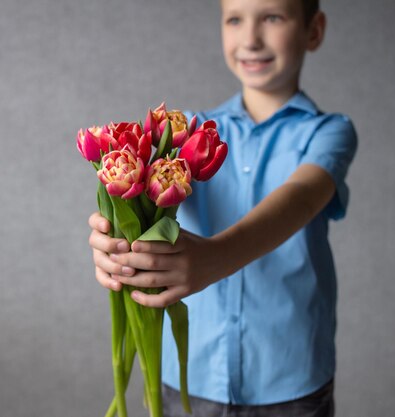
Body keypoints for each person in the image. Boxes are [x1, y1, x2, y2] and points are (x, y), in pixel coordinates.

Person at [87, 0, 357, 415]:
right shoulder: (182, 135)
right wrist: (116, 244)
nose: (250, 38)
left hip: (290, 381)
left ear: (313, 30)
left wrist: (216, 259)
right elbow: (142, 213)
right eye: (234, 19)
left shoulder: (329, 132)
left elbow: (302, 198)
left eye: (272, 17)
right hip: (188, 376)